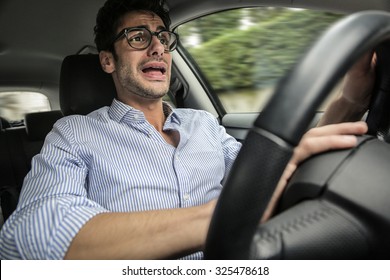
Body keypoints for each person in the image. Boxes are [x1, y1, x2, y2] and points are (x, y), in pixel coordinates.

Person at [0, 0, 371, 260]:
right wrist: (231, 212)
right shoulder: (73, 133)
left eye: (163, 37)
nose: (158, 47)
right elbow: (34, 233)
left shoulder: (204, 124)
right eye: (138, 37)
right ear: (108, 60)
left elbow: (267, 172)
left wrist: (350, 103)